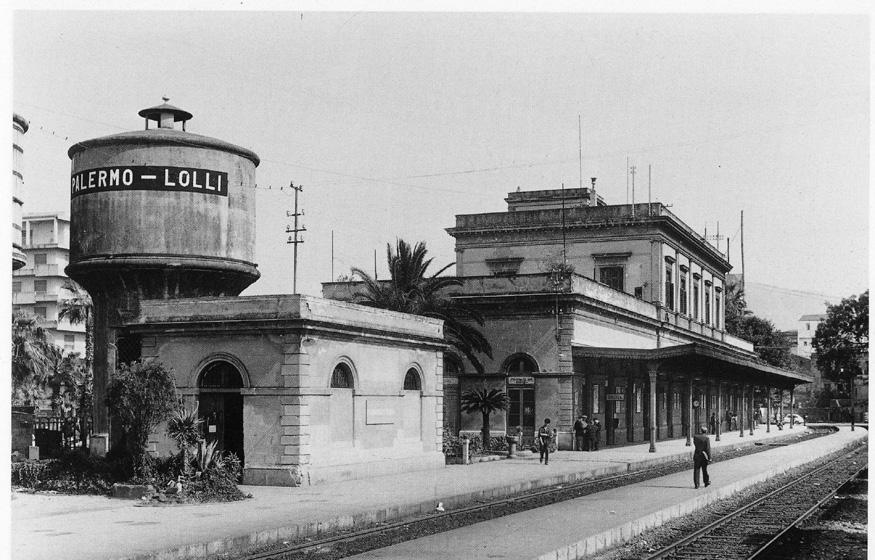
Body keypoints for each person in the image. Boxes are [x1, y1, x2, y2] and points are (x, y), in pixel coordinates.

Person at [692, 424, 711, 489]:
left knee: (696, 470)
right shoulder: (707, 438)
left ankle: (696, 484)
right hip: (704, 456)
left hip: (697, 455)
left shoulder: (695, 437)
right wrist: (709, 457)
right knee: (704, 470)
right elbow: (708, 449)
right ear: (706, 431)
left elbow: (695, 444)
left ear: (701, 430)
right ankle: (706, 482)